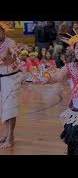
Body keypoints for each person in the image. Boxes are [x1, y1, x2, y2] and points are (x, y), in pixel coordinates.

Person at [0, 21, 24, 149]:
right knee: (3, 109)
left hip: (11, 79)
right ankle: (6, 134)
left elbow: (14, 52)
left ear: (3, 31)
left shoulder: (10, 43)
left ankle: (10, 137)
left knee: (10, 109)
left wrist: (14, 53)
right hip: (1, 80)